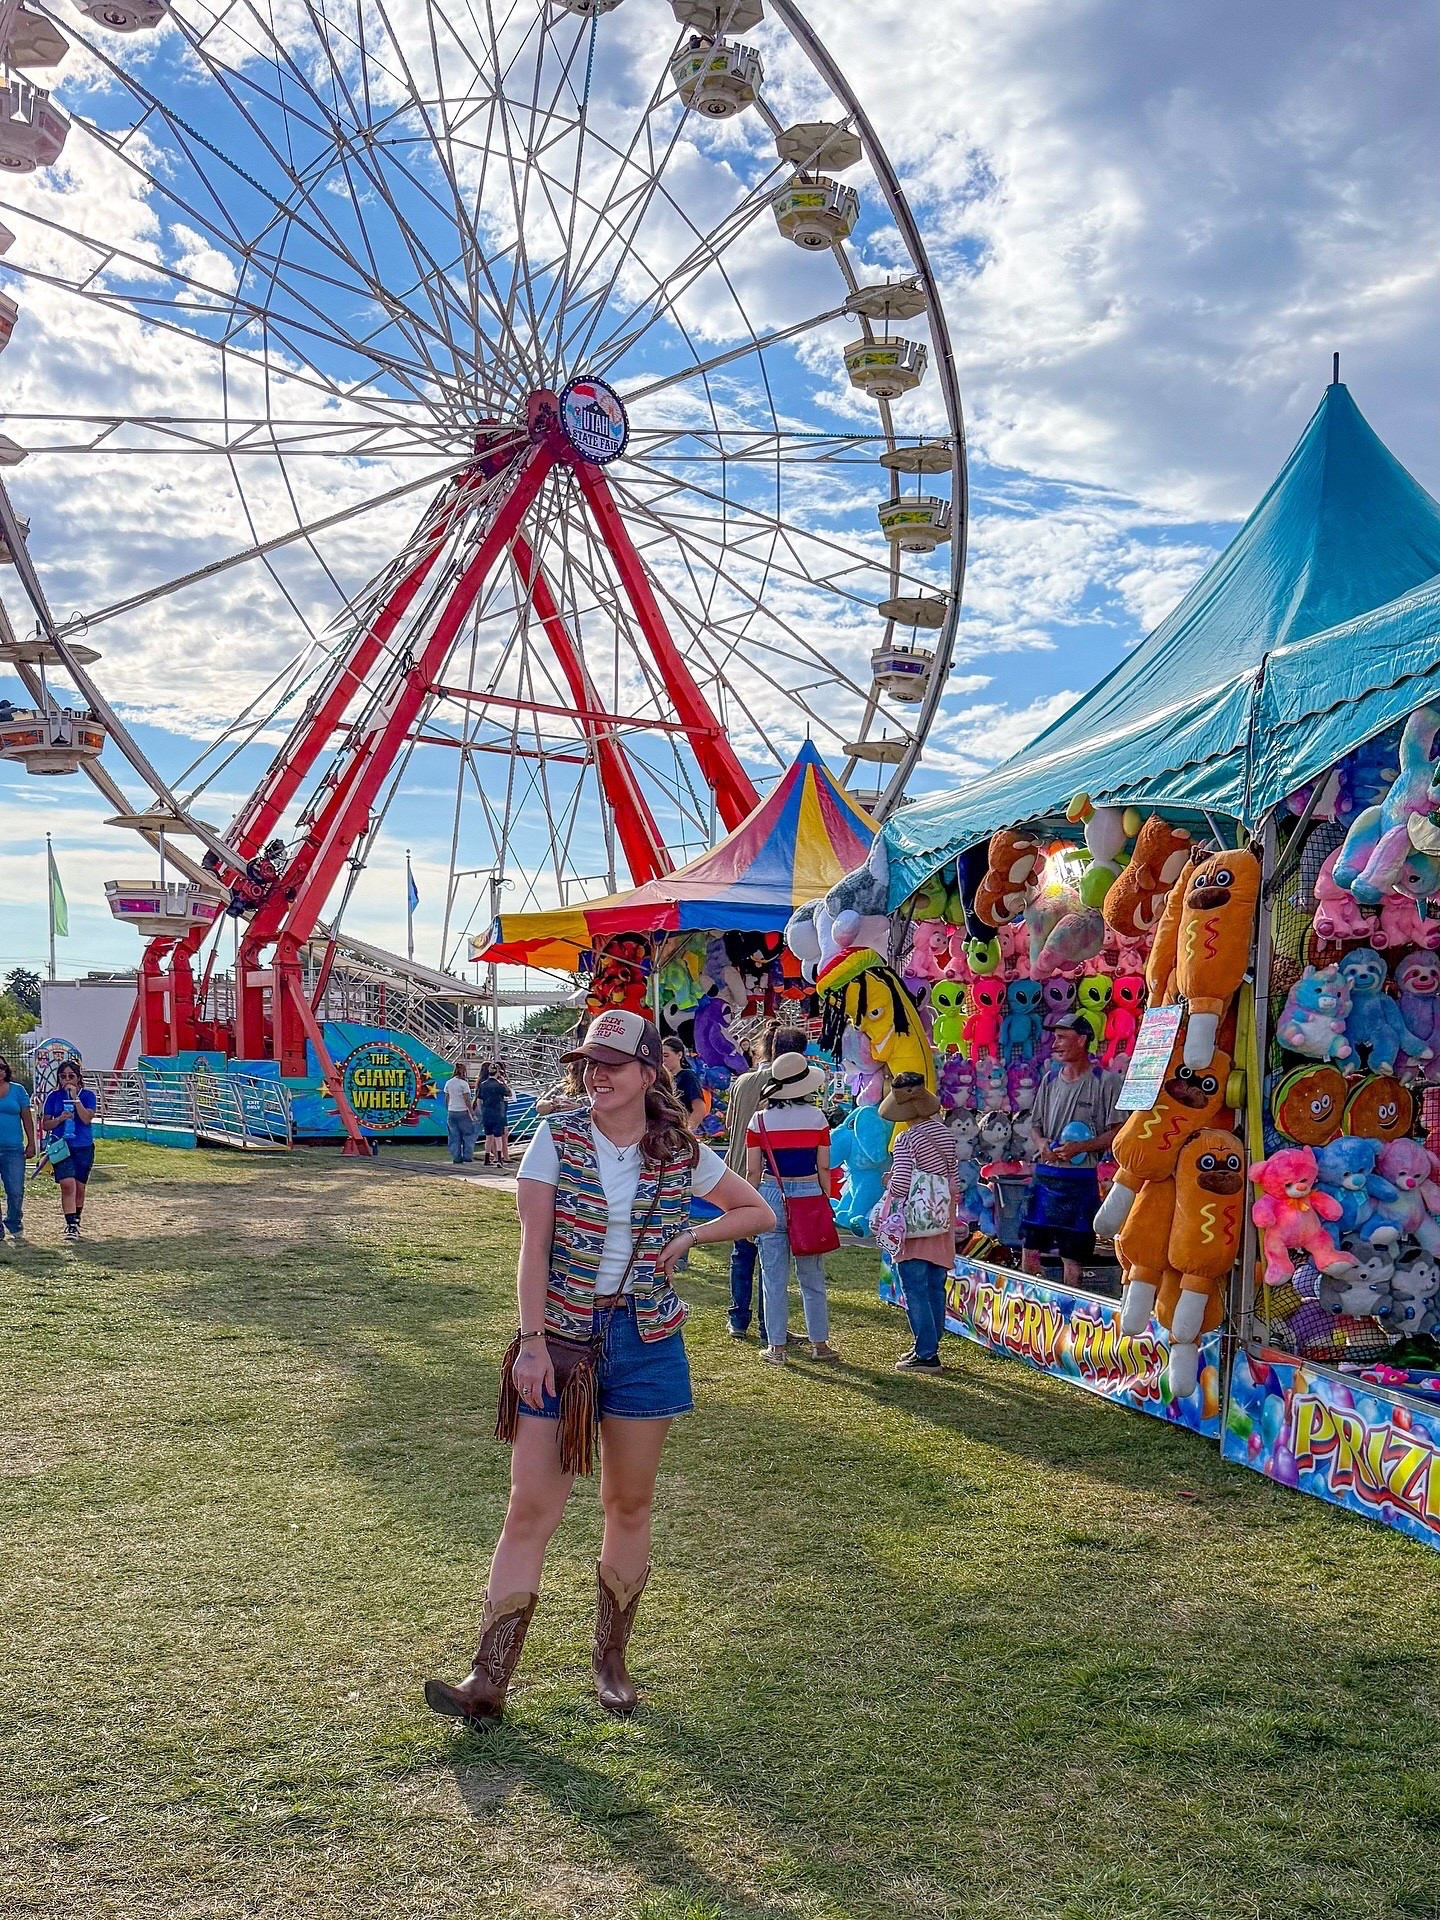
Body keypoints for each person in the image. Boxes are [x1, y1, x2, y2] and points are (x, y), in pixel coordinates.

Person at [423, 1010, 772, 1724]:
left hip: (646, 1343)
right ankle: (486, 1678)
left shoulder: (680, 1149)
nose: (598, 1073)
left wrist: (691, 1236)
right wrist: (530, 1343)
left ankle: (610, 1660)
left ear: (650, 1073)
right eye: (589, 1062)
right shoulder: (556, 1137)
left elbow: (756, 1210)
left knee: (629, 1504)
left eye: (614, 1061)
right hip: (559, 1343)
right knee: (531, 1506)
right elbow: (533, 1247)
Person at [746, 1049, 837, 1365]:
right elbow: (824, 1168)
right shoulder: (817, 1118)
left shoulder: (759, 1121)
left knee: (773, 1279)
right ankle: (820, 1345)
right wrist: (825, 1199)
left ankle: (777, 1348)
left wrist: (749, 1211)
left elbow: (753, 1173)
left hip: (771, 1195)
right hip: (810, 1194)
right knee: (812, 1278)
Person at [1020, 1015, 1122, 1288]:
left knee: (1073, 1256)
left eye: (1062, 1037)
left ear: (1082, 1040)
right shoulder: (1050, 1080)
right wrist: (1042, 1144)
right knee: (1030, 1248)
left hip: (1079, 1179)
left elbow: (1117, 1132)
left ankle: (1069, 1316)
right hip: (1044, 1176)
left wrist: (1082, 1147)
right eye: (1055, 1037)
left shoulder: (1107, 1082)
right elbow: (1035, 1126)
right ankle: (1026, 1307)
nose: (1055, 1044)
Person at [723, 1023, 809, 1341]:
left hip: (735, 1171)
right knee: (769, 1255)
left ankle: (738, 1320)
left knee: (742, 1251)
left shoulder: (743, 1081)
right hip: (768, 1174)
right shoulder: (783, 1082)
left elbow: (731, 1122)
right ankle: (768, 1325)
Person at [880, 1073, 961, 1373]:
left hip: (915, 1221)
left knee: (913, 1285)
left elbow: (901, 1183)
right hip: (940, 1217)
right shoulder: (945, 1135)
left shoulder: (907, 1139)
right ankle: (931, 1342)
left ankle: (926, 1353)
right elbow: (953, 1179)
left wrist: (888, 1185)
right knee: (935, 1285)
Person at [42, 1059, 98, 1243]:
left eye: (71, 1076)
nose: (67, 1079)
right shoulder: (53, 1097)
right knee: (67, 1185)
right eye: (63, 1076)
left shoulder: (87, 1095)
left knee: (79, 1188)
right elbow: (45, 1124)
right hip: (62, 1146)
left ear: (78, 1078)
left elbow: (87, 1118)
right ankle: (70, 1224)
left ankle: (77, 1218)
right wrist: (59, 1119)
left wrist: (76, 1100)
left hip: (83, 1146)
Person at [0, 1057, 36, 1247]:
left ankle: (13, 1220)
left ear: (6, 1070)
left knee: (15, 1190)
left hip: (13, 1149)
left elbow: (27, 1119)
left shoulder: (18, 1091)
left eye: (1, 1067)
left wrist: (31, 1143)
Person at [662, 1036, 706, 1133]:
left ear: (679, 1055)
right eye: (660, 1056)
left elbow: (699, 1108)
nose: (663, 1060)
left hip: (680, 1131)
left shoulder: (687, 1076)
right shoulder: (659, 1079)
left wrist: (686, 1130)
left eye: (666, 1055)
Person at [477, 1061, 512, 1166]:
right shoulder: (499, 1085)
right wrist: (504, 1082)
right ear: (497, 1072)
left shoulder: (483, 1084)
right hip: (498, 1113)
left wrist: (482, 1111)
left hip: (487, 1112)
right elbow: (509, 1093)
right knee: (498, 1137)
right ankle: (499, 1158)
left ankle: (487, 1158)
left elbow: (480, 1098)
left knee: (488, 1136)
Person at [442, 1062, 476, 1165]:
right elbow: (467, 1100)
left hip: (452, 1111)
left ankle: (456, 1157)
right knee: (468, 1135)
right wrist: (472, 1113)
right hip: (463, 1111)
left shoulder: (449, 1083)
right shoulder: (464, 1084)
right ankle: (467, 1156)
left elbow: (446, 1098)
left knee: (454, 1136)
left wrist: (448, 1108)